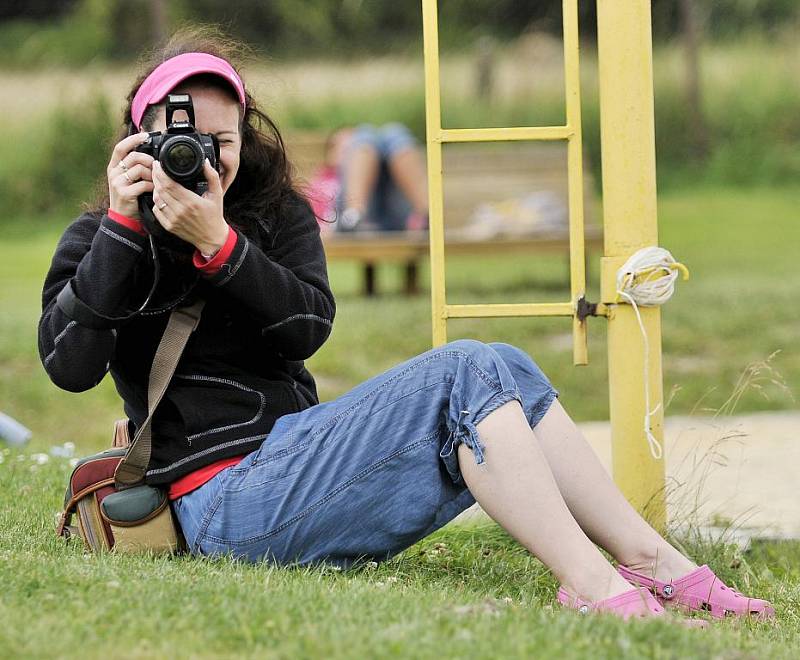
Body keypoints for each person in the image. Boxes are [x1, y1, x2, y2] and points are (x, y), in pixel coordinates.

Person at [38, 29, 773, 623]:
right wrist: (124, 227)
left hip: (294, 460)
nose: (200, 157)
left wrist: (220, 245)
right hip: (219, 503)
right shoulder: (103, 236)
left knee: (503, 362)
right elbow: (68, 366)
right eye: (179, 138)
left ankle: (653, 564)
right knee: (463, 370)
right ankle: (590, 582)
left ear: (245, 139)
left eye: (219, 140)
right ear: (135, 143)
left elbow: (306, 328)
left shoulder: (272, 214)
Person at [307, 124, 429, 232]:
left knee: (395, 133)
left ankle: (426, 215)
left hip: (396, 215)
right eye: (347, 149)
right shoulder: (324, 181)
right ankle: (353, 215)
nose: (345, 152)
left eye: (349, 148)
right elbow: (318, 223)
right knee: (366, 136)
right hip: (361, 219)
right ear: (329, 155)